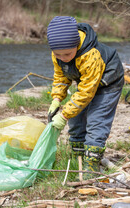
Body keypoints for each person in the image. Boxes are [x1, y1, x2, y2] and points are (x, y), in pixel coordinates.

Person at [47, 16, 124, 179]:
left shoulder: (90, 55)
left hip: (108, 83)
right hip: (86, 83)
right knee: (76, 119)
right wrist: (56, 99)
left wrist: (64, 114)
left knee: (97, 120)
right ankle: (78, 158)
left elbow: (87, 92)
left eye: (67, 54)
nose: (63, 58)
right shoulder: (59, 55)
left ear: (76, 44)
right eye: (58, 54)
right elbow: (61, 77)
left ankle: (91, 163)